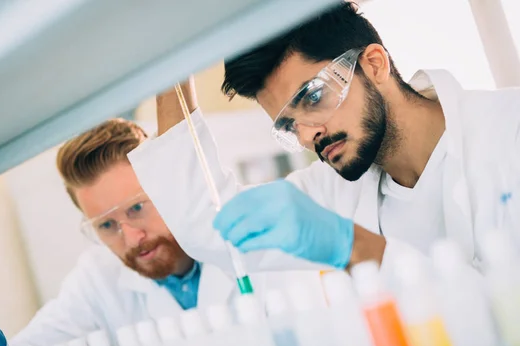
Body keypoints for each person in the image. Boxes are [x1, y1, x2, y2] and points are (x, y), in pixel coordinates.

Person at [127, 2, 520, 279]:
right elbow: (208, 224)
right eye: (288, 125)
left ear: (374, 64)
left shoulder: (507, 130)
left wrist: (356, 247)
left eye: (312, 97)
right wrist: (173, 58)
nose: (308, 133)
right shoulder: (335, 191)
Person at [0, 108, 266, 346]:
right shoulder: (96, 278)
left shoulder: (246, 232)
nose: (131, 238)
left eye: (137, 207)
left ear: (165, 188)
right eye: (106, 224)